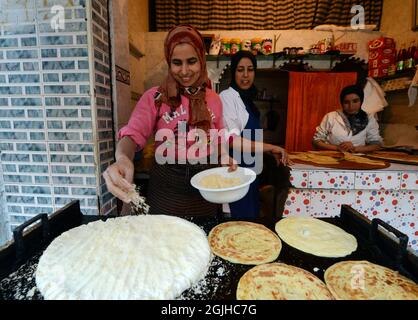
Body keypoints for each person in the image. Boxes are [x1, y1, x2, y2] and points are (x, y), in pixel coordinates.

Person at [103, 25, 236, 217]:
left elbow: (219, 134)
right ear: (168, 62)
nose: (184, 71)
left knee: (203, 238)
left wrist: (223, 156)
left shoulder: (213, 99)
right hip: (167, 189)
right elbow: (132, 134)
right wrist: (123, 158)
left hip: (206, 187)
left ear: (202, 60)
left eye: (192, 61)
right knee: (166, 242)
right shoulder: (155, 97)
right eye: (176, 63)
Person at [219, 50, 291, 219]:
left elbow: (251, 138)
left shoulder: (248, 101)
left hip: (251, 173)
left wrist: (267, 152)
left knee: (250, 224)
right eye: (240, 69)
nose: (245, 75)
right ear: (233, 72)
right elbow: (232, 141)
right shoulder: (227, 97)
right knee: (237, 226)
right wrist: (271, 147)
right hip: (235, 174)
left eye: (250, 69)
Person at [312, 84, 383, 153]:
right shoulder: (331, 116)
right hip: (332, 156)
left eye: (355, 101)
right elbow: (316, 141)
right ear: (342, 103)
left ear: (361, 101)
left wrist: (355, 149)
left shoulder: (369, 119)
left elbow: (376, 144)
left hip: (358, 158)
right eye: (346, 102)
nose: (351, 106)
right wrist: (337, 148)